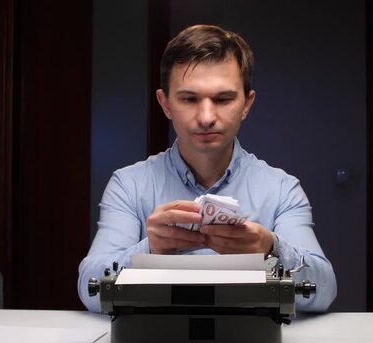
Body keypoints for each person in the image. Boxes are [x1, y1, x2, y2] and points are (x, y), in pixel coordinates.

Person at [78, 24, 336, 312]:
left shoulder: (281, 189)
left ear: (246, 104)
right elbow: (89, 290)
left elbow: (323, 292)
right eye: (189, 99)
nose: (206, 117)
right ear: (165, 104)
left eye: (223, 99)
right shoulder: (129, 185)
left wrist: (271, 248)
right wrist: (148, 249)